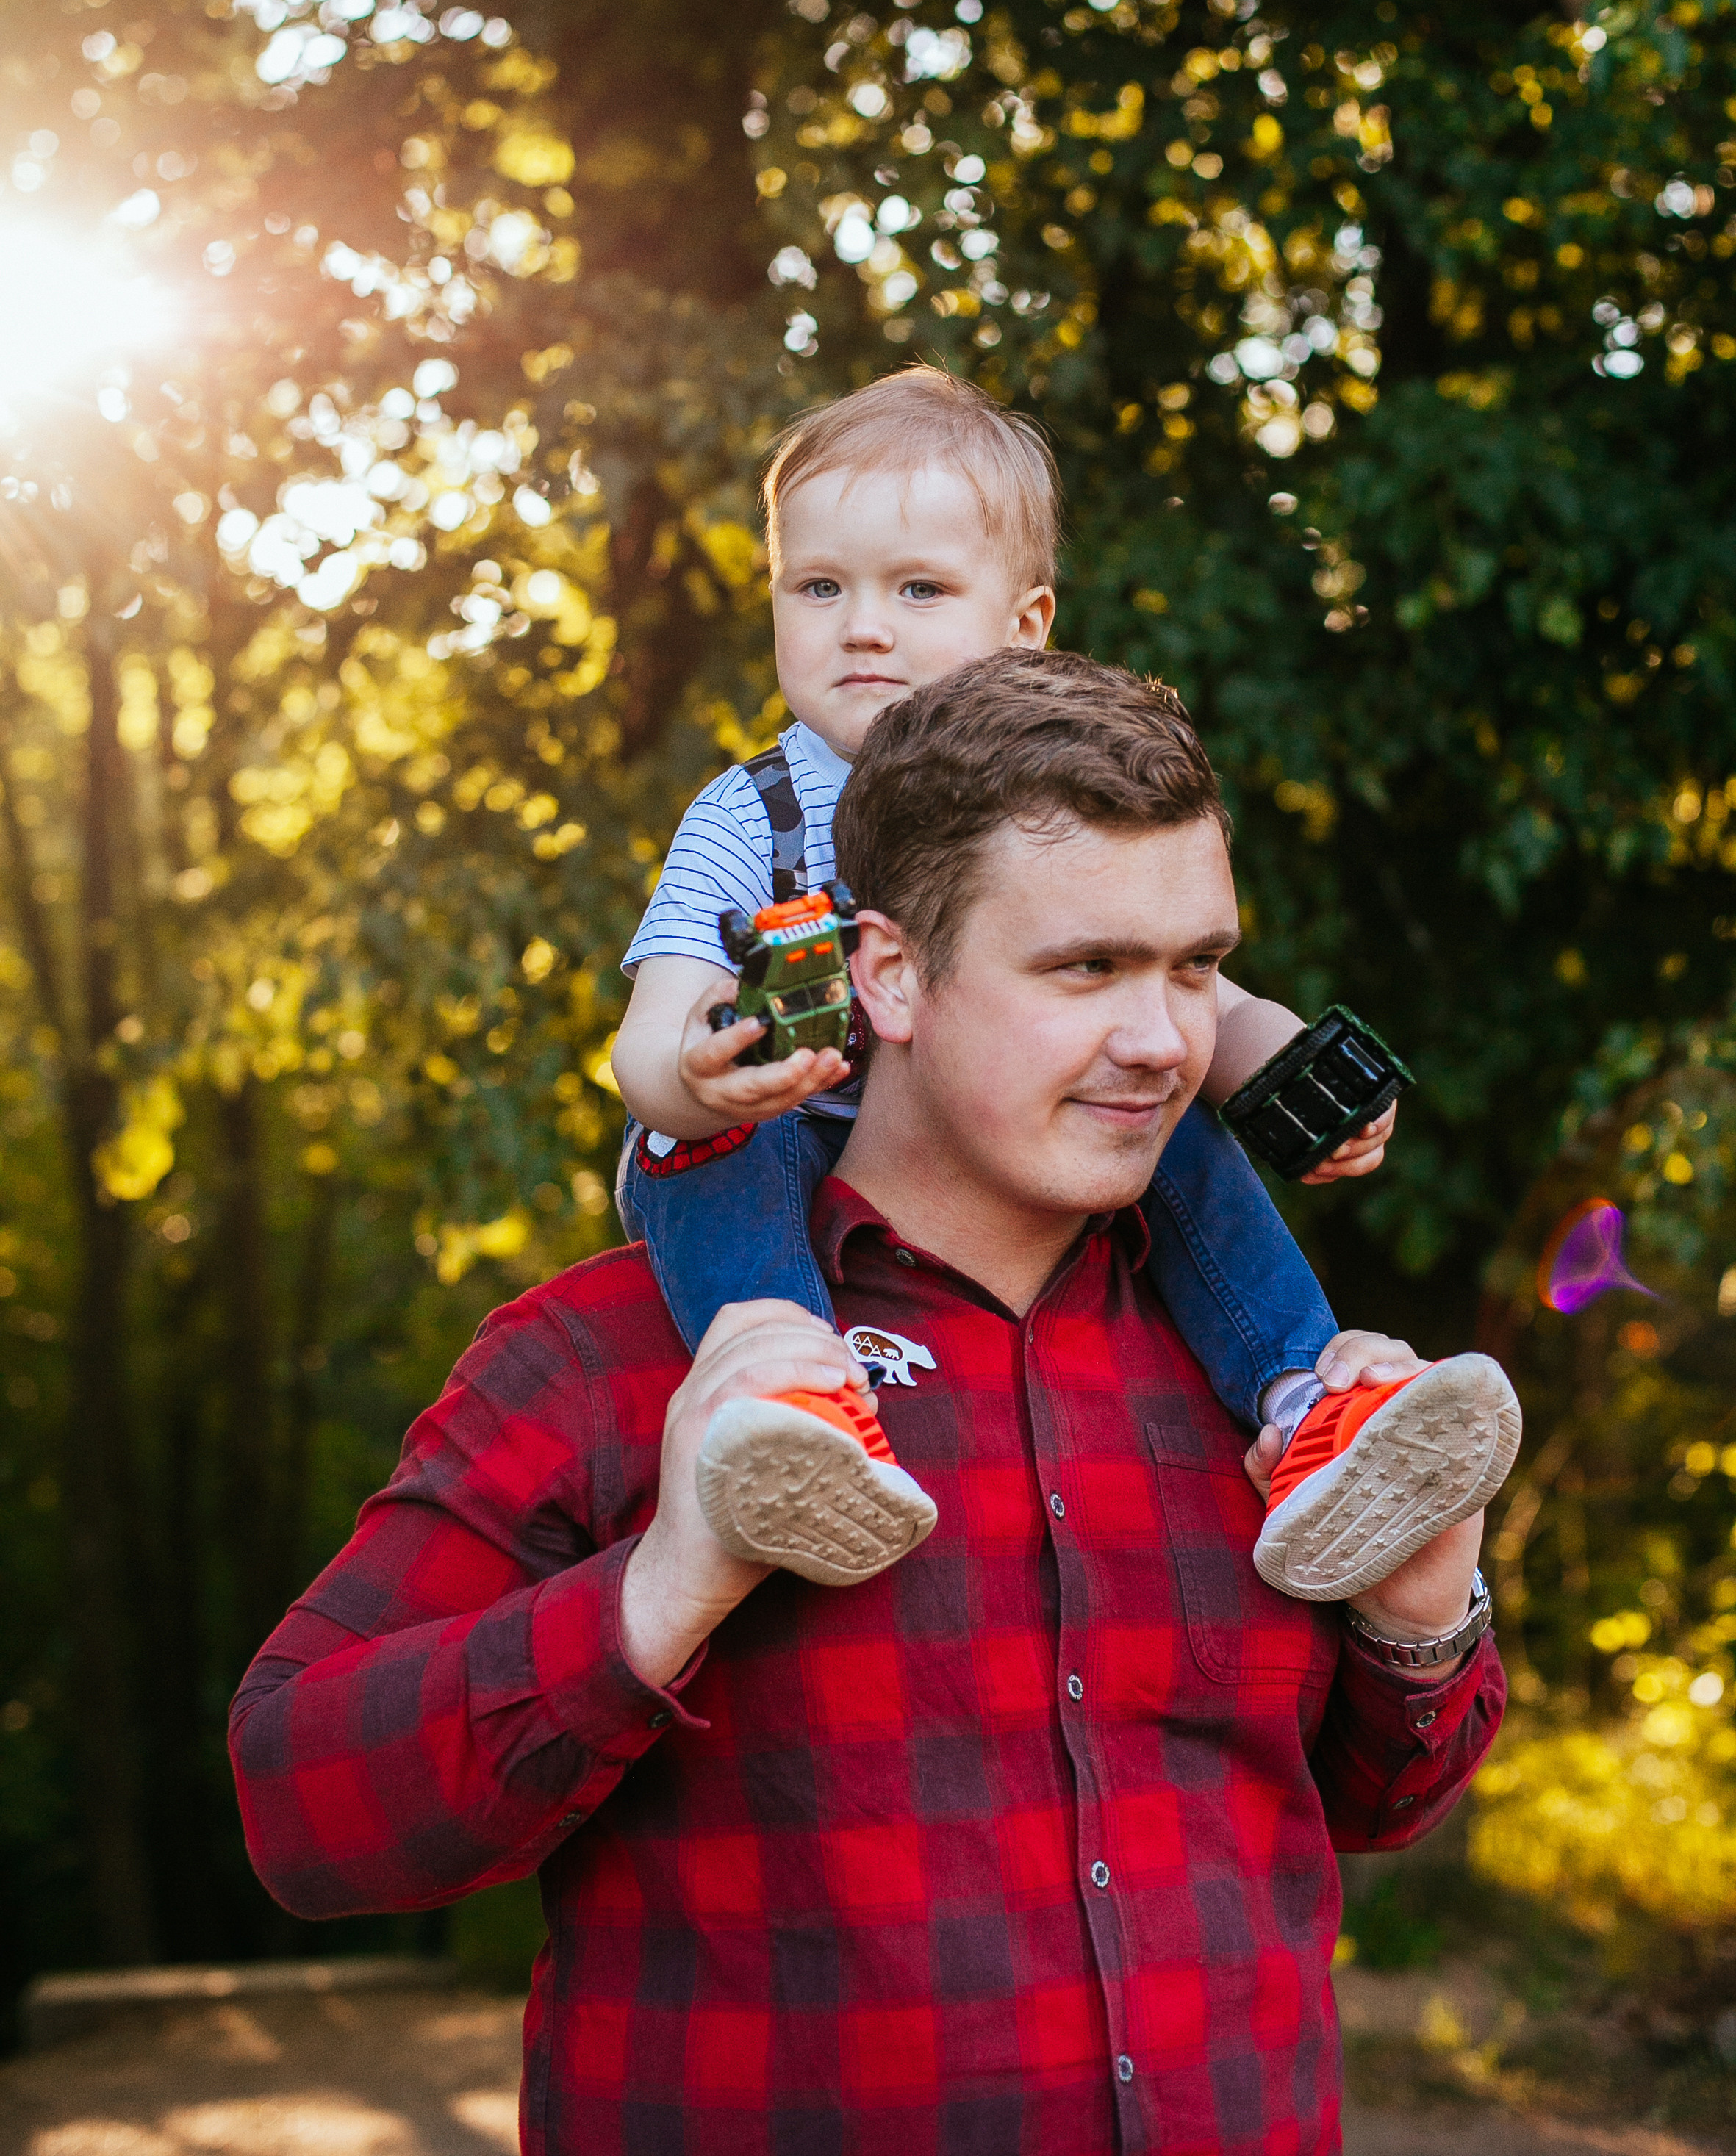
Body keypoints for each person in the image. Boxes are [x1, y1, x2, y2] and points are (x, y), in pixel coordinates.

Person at [231, 650, 1510, 2156]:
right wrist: (666, 1584)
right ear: (886, 973)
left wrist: (1421, 1610)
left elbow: (1375, 1800)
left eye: (1192, 965)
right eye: (1084, 967)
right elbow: (300, 1802)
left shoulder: (1263, 1374)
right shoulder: (605, 1358)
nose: (1167, 1037)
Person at [609, 367, 1507, 1600]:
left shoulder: (1059, 796)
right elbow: (651, 1038)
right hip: (783, 1145)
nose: (860, 626)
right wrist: (701, 1071)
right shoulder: (747, 814)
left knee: (1158, 1089)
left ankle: (1309, 1407)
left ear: (1024, 623)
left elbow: (1174, 999)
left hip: (992, 1148)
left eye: (916, 589)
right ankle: (785, 1401)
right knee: (709, 1149)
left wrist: (1283, 1067)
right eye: (818, 587)